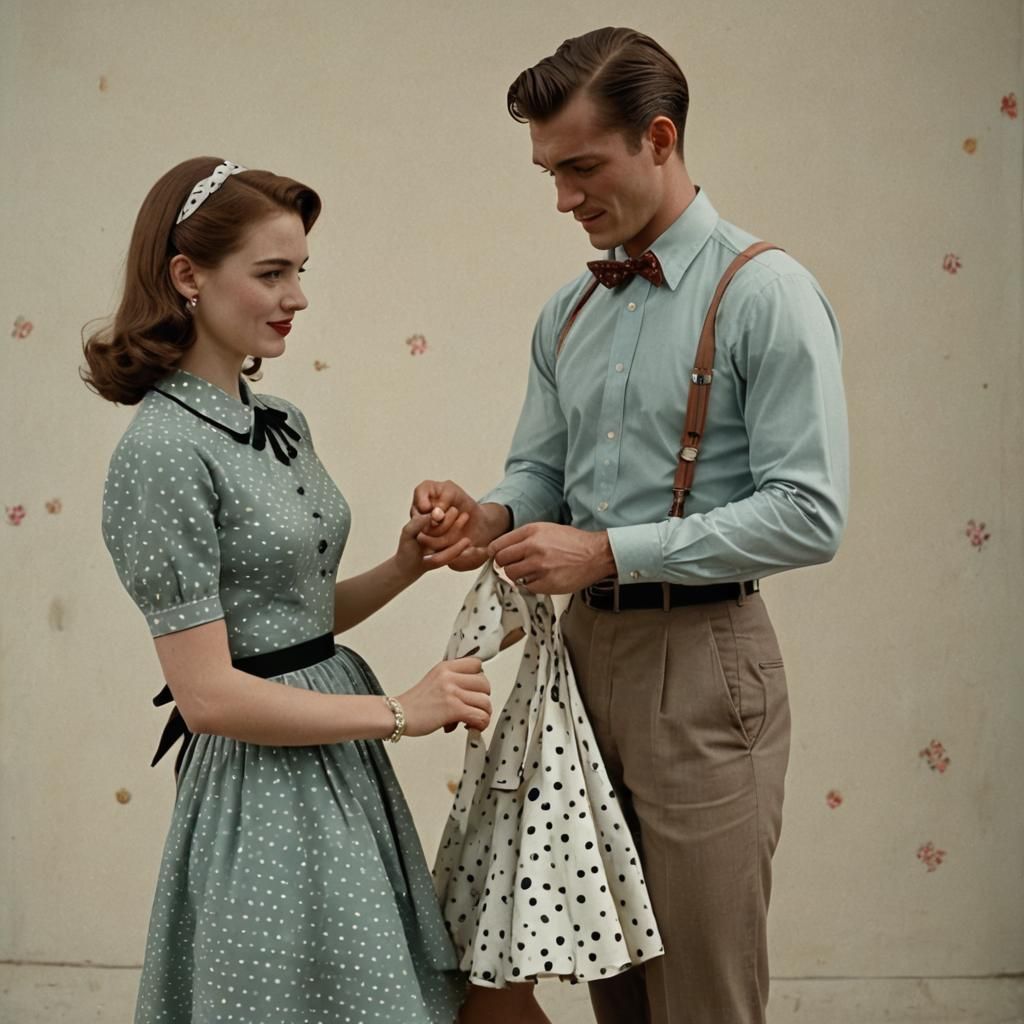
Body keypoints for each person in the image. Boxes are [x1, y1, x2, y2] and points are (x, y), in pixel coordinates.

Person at [413, 27, 849, 1024]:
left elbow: (810, 512)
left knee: (701, 992)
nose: (562, 198)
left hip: (705, 661)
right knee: (611, 980)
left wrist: (606, 551)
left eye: (581, 167)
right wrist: (488, 516)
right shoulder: (569, 309)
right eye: (549, 172)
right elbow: (542, 472)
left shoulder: (766, 293)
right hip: (579, 661)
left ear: (658, 138)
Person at [83, 156, 492, 1024]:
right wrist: (401, 711)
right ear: (187, 276)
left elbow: (288, 623)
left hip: (338, 762)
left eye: (300, 271)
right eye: (271, 273)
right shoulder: (161, 451)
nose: (296, 297)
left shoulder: (279, 422)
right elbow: (207, 695)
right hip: (262, 785)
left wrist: (406, 564)